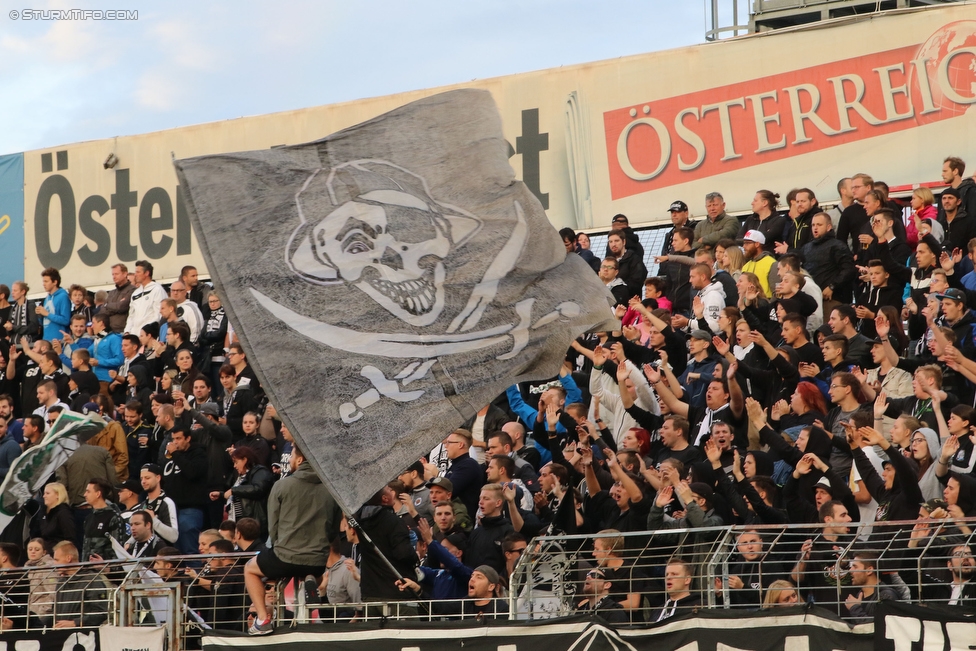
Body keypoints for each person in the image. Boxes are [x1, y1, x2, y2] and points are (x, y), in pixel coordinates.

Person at [245, 444, 340, 635]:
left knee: (250, 569)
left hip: (286, 556)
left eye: (292, 456)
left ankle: (263, 620)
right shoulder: (331, 490)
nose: (288, 460)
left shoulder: (282, 485)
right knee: (309, 568)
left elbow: (273, 528)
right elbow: (332, 531)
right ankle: (311, 579)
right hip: (317, 562)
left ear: (300, 460)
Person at [162, 428, 209, 555]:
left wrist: (176, 454)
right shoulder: (171, 457)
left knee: (189, 550)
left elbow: (192, 472)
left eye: (178, 438)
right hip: (172, 510)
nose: (175, 442)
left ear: (188, 439)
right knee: (175, 552)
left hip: (190, 508)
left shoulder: (199, 453)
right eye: (173, 439)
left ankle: (194, 574)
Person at [52, 541, 114, 629]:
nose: (54, 564)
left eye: (56, 560)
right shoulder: (61, 582)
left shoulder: (92, 580)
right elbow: (54, 612)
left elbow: (101, 613)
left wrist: (75, 623)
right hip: (60, 635)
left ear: (68, 558)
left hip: (85, 637)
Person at [214, 447, 274, 538]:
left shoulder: (260, 471)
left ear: (245, 460)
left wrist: (233, 490)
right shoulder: (240, 477)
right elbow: (241, 492)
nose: (234, 466)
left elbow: (258, 489)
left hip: (254, 525)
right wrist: (221, 494)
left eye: (236, 462)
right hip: (240, 524)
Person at [80, 479, 125, 561]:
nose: (84, 495)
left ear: (98, 494)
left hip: (105, 570)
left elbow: (119, 549)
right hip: (87, 570)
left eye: (88, 491)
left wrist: (110, 569)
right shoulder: (88, 518)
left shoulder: (113, 517)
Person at [38, 482, 76, 551]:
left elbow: (70, 537)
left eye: (47, 493)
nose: (44, 496)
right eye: (44, 493)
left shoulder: (64, 513)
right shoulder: (46, 513)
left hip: (59, 555)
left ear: (58, 495)